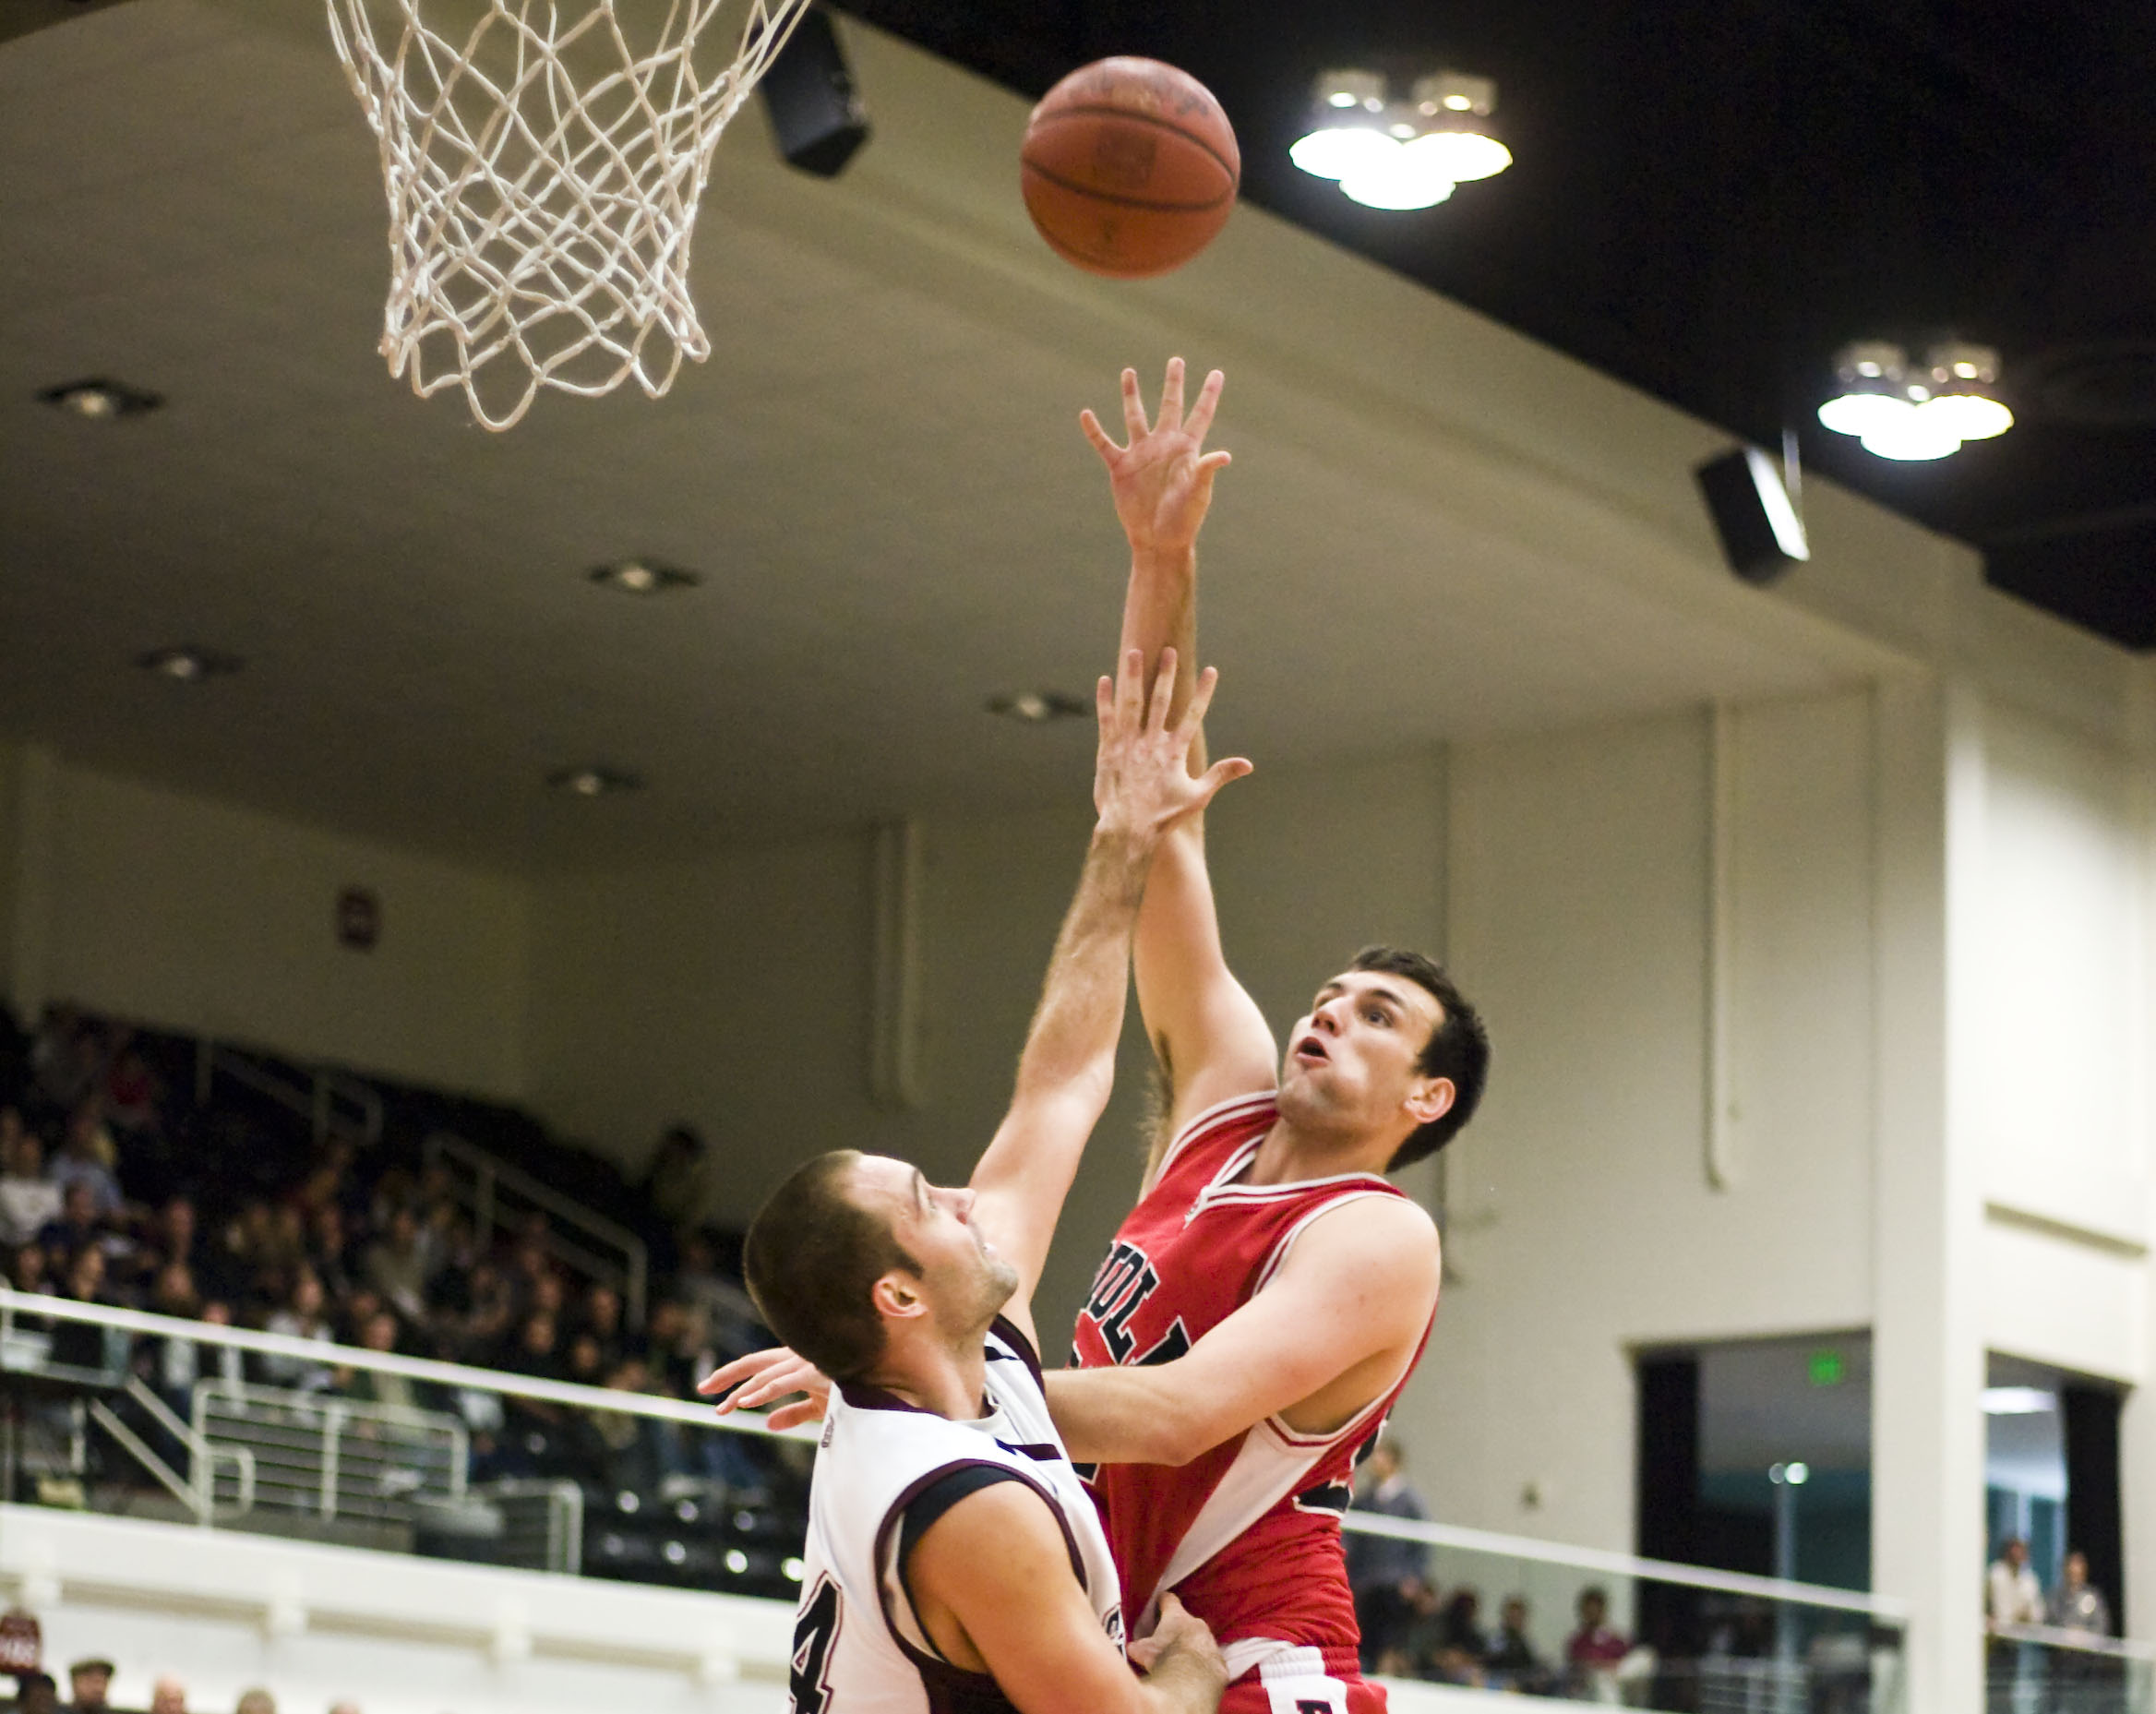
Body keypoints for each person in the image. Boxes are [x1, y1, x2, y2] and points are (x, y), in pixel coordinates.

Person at [713, 365, 1491, 1714]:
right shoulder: (1229, 1102)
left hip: (1249, 1625)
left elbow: (1184, 1411)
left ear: (1427, 1098)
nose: (1327, 1012)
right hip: (1097, 1579)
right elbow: (1160, 807)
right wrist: (1159, 559)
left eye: (1378, 1017)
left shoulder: (1376, 1232)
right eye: (1328, 991)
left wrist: (907, 1371)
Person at [729, 647, 1245, 1714]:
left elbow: (1059, 1084)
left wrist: (1121, 840)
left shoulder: (975, 1370)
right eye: (928, 1205)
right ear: (899, 1297)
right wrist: (1198, 1670)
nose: (965, 1200)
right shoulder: (961, 1505)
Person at [1346, 1441, 1431, 1673]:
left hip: (1395, 1582)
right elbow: (1352, 1538)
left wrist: (1413, 1577)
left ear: (1394, 1461)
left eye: (1381, 1456)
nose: (1375, 1461)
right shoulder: (1365, 1499)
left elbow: (1421, 1544)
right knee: (1365, 1635)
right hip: (1366, 1580)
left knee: (1390, 1640)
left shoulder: (1410, 1501)